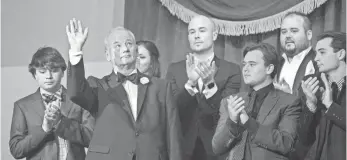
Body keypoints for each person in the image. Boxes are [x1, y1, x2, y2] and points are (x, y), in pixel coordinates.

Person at [66, 18, 182, 160]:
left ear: (136, 50)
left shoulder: (162, 87)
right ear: (108, 55)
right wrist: (76, 51)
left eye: (129, 44)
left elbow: (173, 137)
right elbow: (75, 92)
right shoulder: (98, 86)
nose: (125, 49)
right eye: (117, 45)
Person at [166, 15, 241, 160]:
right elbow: (172, 111)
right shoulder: (174, 69)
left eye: (202, 31)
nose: (197, 36)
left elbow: (227, 113)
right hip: (182, 148)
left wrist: (210, 84)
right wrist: (191, 84)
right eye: (192, 32)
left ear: (214, 35)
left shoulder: (231, 70)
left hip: (216, 150)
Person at [212, 43, 301, 160]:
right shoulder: (230, 102)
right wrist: (232, 122)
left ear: (269, 68)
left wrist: (249, 124)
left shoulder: (289, 102)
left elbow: (286, 144)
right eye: (244, 64)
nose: (245, 69)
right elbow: (217, 148)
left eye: (252, 64)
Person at [9, 47, 95, 160]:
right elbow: (16, 150)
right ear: (35, 75)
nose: (49, 76)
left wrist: (61, 123)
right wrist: (44, 129)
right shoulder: (22, 106)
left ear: (63, 72)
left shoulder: (78, 100)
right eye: (42, 71)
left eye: (54, 70)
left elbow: (92, 139)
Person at [300, 31, 346, 160]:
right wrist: (311, 106)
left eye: (322, 52)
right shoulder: (313, 87)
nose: (316, 58)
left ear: (341, 54)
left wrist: (330, 106)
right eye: (316, 53)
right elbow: (303, 137)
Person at [276, 12, 318, 96]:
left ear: (308, 35)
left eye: (294, 31)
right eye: (284, 32)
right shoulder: (277, 63)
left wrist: (289, 96)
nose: (287, 35)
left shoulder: (318, 61)